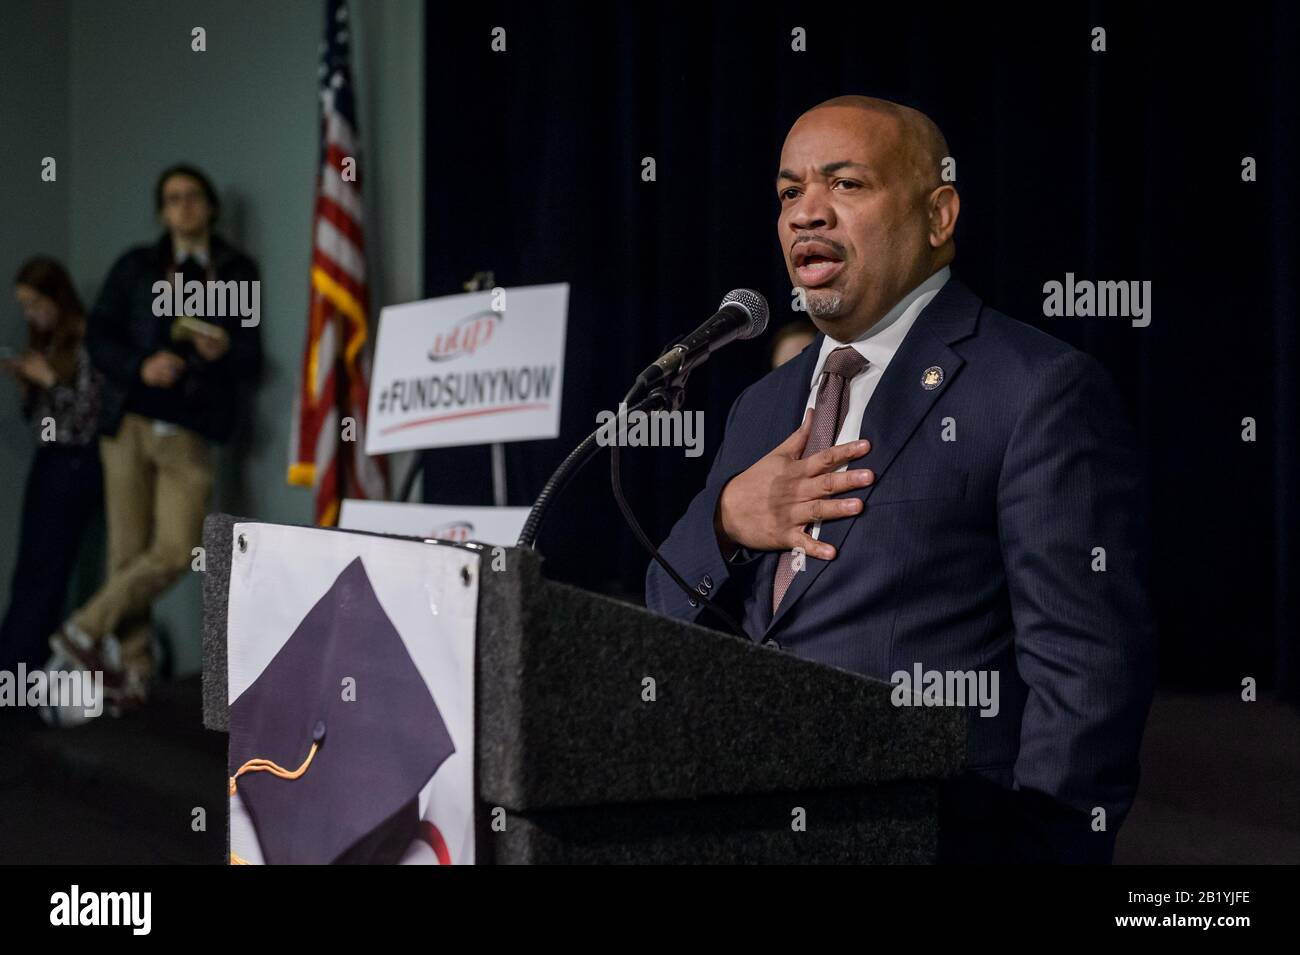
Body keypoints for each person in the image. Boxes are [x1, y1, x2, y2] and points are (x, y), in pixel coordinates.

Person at [645, 95, 1156, 863]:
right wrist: (722, 520)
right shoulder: (761, 407)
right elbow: (660, 612)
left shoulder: (1033, 390)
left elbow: (1086, 674)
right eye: (789, 193)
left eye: (844, 185)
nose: (805, 214)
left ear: (938, 215)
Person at [48, 164, 262, 717]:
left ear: (210, 207)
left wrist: (225, 351)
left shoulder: (236, 270)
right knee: (126, 552)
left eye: (193, 197)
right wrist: (142, 365)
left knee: (174, 548)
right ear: (162, 212)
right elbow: (98, 335)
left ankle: (83, 628)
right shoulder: (136, 266)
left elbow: (252, 354)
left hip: (189, 429)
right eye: (172, 199)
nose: (183, 206)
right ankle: (134, 677)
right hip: (128, 426)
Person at [0, 258, 103, 677]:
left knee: (50, 572)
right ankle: (13, 667)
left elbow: (86, 417)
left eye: (35, 304)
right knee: (28, 570)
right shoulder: (44, 343)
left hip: (74, 467)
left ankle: (26, 669)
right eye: (24, 306)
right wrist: (31, 389)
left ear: (55, 297)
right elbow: (44, 419)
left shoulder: (85, 339)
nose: (31, 314)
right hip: (47, 463)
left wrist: (50, 382)